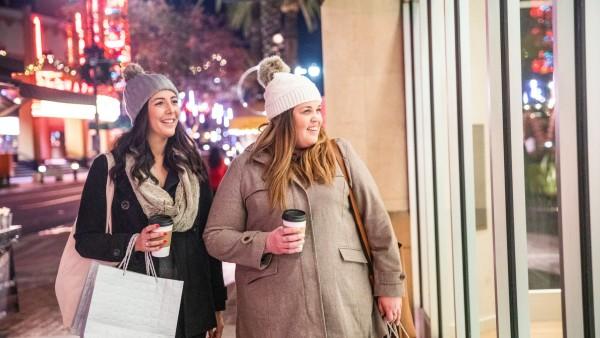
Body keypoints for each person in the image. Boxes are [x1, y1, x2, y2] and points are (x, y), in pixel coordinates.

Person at [203, 56, 405, 338]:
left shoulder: (340, 155)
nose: (316, 119)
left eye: (317, 110)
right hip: (275, 314)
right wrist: (266, 242)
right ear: (284, 118)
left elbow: (377, 225)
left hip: (344, 303)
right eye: (306, 111)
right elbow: (215, 236)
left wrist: (389, 287)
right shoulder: (246, 167)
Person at [74, 63, 226, 338]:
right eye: (160, 103)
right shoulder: (110, 168)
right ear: (142, 111)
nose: (171, 111)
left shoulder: (193, 168)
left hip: (193, 306)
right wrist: (134, 242)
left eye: (174, 101)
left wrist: (216, 305)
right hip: (139, 307)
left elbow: (208, 239)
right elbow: (85, 239)